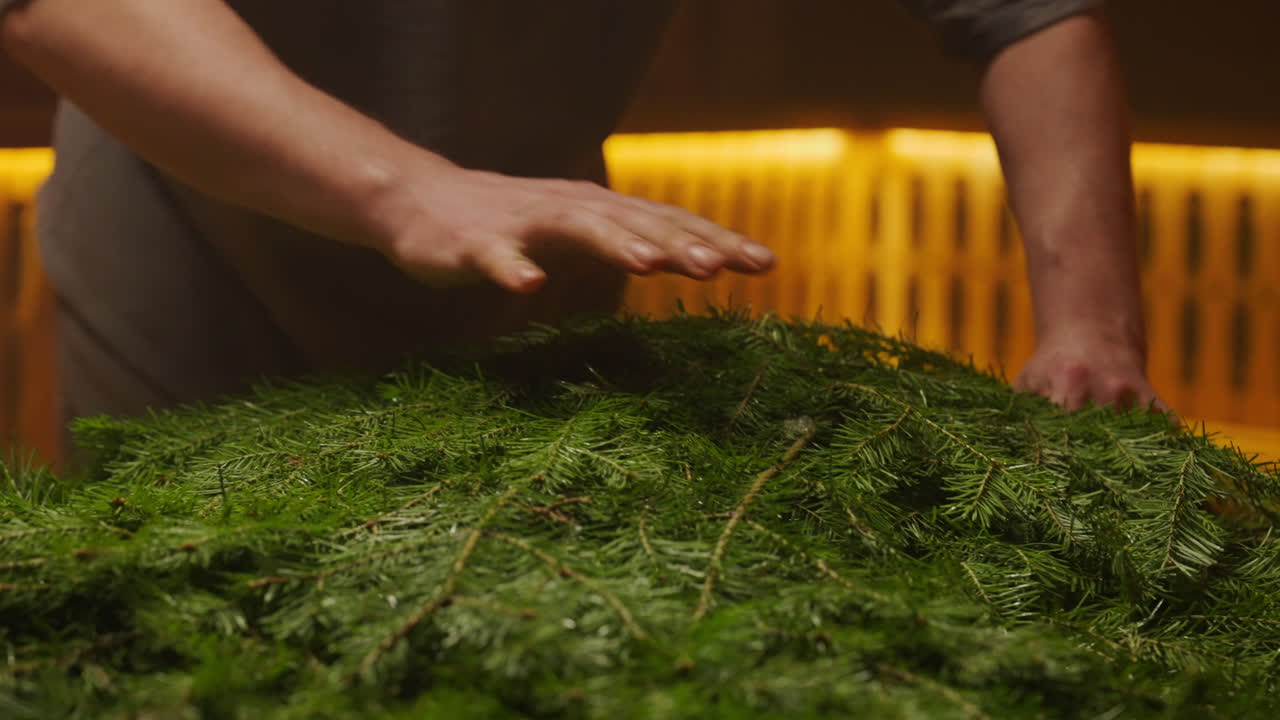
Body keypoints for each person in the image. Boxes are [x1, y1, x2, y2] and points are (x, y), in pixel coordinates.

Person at [0, 0, 1160, 466]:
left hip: (527, 276)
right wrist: (410, 193)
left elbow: (1030, 9)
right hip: (192, 266)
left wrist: (1089, 328)